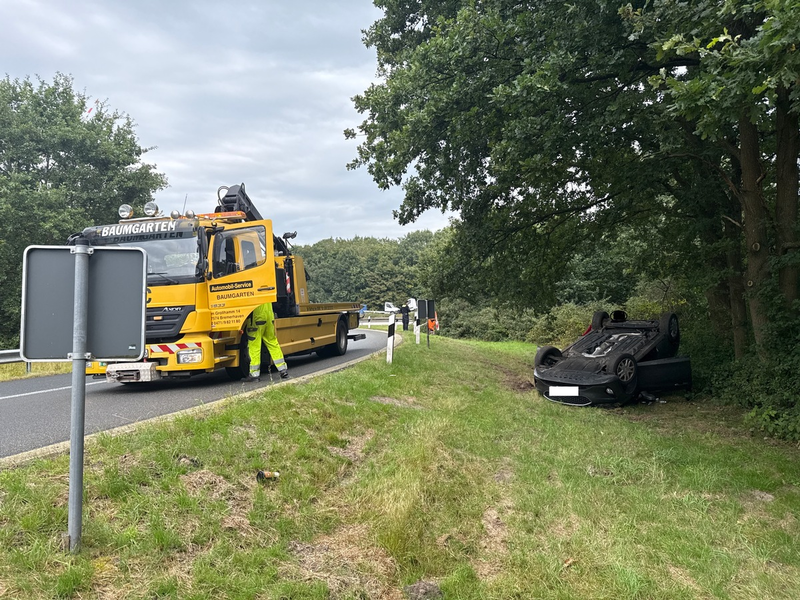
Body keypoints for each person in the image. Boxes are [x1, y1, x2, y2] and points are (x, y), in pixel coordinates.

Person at [245, 302, 289, 381]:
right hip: (269, 318)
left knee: (254, 346)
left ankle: (254, 374)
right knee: (272, 343)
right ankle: (283, 370)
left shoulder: (254, 291)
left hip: (257, 319)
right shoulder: (266, 291)